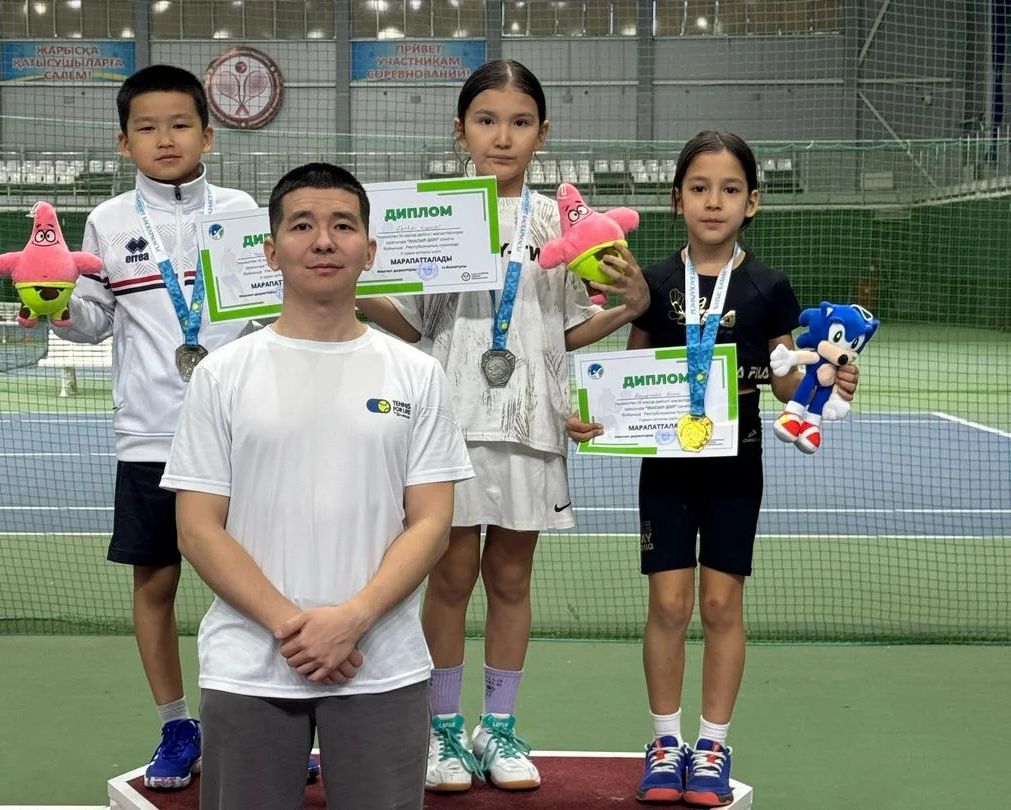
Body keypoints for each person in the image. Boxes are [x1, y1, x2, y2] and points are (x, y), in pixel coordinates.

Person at [357, 59, 649, 793]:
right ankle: (443, 730)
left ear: (542, 134)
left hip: (532, 426)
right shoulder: (431, 211)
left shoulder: (563, 221)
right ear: (460, 130)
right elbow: (418, 326)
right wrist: (357, 291)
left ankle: (501, 729)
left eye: (520, 123)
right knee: (450, 578)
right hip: (448, 425)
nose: (503, 136)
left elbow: (567, 330)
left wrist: (632, 303)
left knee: (512, 579)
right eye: (486, 120)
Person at [160, 162, 474, 810]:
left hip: (381, 664)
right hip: (250, 666)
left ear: (370, 249)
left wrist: (352, 620)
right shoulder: (222, 376)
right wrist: (292, 629)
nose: (323, 241)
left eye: (342, 226)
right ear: (271, 251)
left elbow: (432, 523)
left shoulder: (418, 375)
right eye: (302, 226)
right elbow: (195, 528)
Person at [565, 131, 860, 807]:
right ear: (676, 200)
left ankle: (713, 745)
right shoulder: (657, 282)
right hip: (666, 468)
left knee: (722, 604)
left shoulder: (769, 286)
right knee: (668, 605)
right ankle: (665, 743)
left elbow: (787, 379)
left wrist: (827, 381)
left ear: (753, 201)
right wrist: (595, 418)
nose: (714, 201)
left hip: (737, 465)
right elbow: (628, 370)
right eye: (699, 188)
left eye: (730, 190)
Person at [48, 64, 259, 791]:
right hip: (150, 435)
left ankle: (266, 717)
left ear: (209, 131)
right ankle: (176, 724)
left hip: (244, 435)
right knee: (156, 580)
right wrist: (51, 303)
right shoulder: (108, 222)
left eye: (178, 124)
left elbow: (268, 317)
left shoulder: (242, 209)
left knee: (259, 582)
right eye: (146, 127)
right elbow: (92, 320)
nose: (164, 138)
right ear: (123, 142)